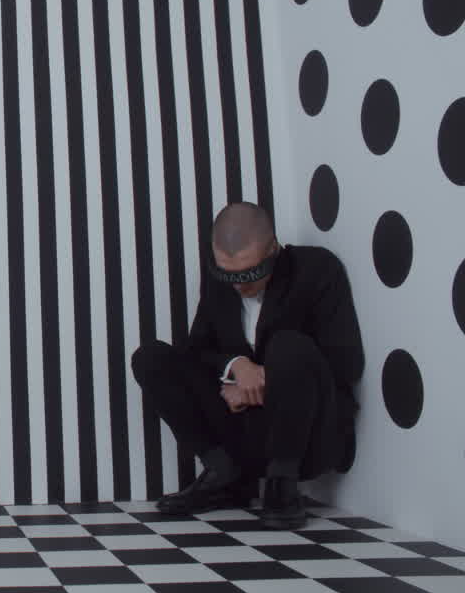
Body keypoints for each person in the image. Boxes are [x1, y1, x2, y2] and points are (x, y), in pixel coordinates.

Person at [131, 202, 363, 529]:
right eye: (228, 274)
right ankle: (224, 474)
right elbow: (197, 350)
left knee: (287, 345)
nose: (239, 284)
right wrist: (236, 367)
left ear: (274, 250)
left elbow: (346, 363)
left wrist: (262, 380)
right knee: (151, 358)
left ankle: (282, 486)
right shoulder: (221, 282)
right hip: (243, 429)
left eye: (250, 273)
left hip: (306, 436)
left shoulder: (317, 270)